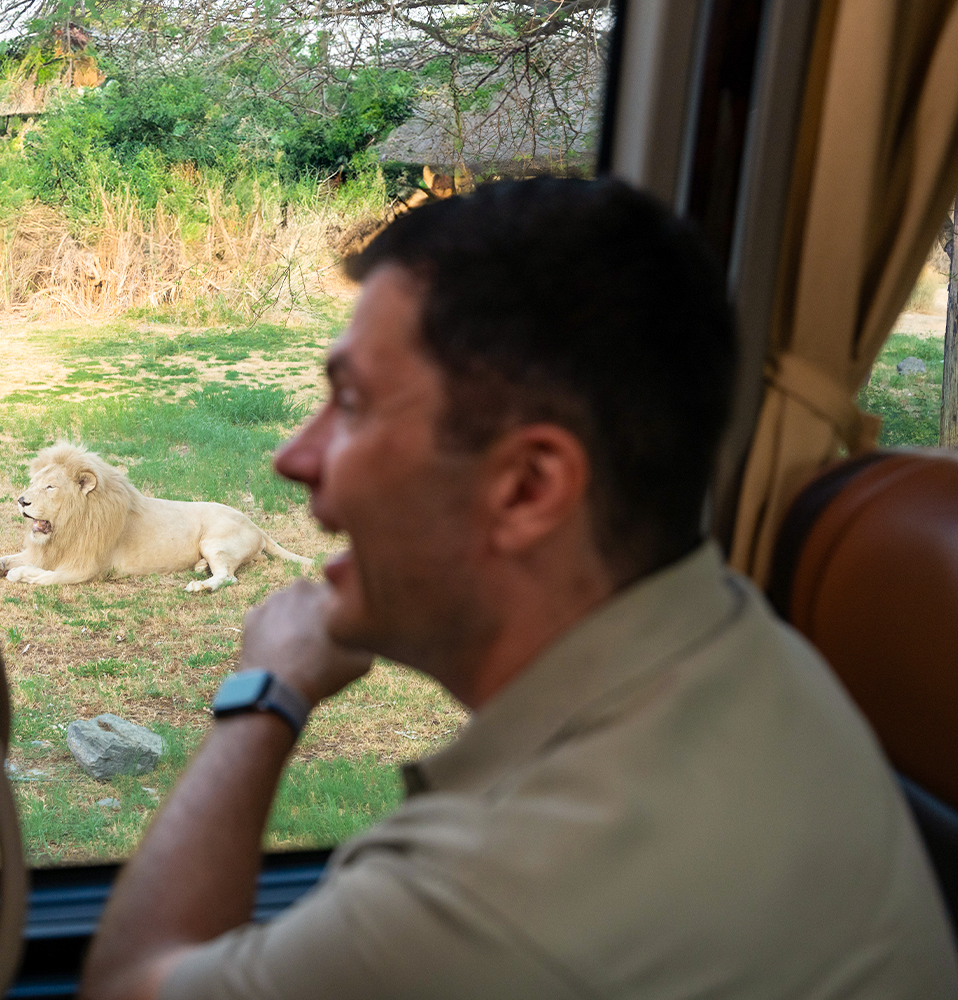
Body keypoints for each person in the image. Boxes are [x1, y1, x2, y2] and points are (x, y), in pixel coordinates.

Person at [81, 177, 958, 999]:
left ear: (530, 488)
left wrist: (265, 694)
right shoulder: (749, 645)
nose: (292, 459)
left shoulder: (496, 892)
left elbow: (130, 987)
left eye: (350, 405)